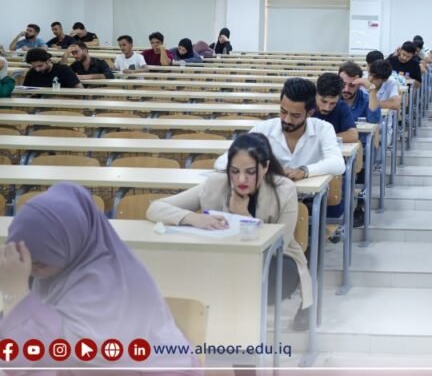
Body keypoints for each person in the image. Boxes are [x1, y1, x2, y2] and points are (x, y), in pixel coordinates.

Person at [0, 183, 196, 371]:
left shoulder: (107, 287)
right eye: (28, 263)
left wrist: (14, 294)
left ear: (71, 240)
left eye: (40, 264)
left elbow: (36, 355)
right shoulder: (60, 268)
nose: (33, 272)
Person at [148, 133, 313, 331]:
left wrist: (243, 215)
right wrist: (193, 218)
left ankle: (239, 330)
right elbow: (155, 208)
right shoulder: (216, 183)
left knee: (247, 280)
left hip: (274, 262)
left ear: (265, 167)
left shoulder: (284, 189)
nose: (241, 179)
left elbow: (280, 243)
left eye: (250, 172)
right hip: (224, 259)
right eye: (234, 171)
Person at [213, 77, 345, 181]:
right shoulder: (263, 129)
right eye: (283, 111)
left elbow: (338, 164)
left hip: (310, 200)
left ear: (310, 113)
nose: (287, 119)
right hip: (269, 199)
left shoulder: (323, 129)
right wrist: (263, 170)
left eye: (295, 115)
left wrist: (304, 171)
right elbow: (222, 162)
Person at [314, 72, 358, 144]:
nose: (327, 108)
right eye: (324, 101)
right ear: (315, 94)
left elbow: (353, 135)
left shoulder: (341, 106)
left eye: (333, 103)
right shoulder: (305, 105)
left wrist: (322, 138)